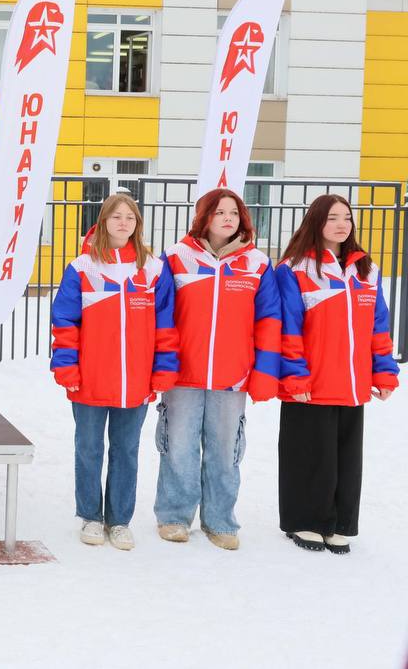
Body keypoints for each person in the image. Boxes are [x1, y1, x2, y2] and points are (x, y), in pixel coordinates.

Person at [155, 188, 281, 550]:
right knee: (178, 448)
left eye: (234, 213)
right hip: (183, 375)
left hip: (233, 375)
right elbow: (163, 315)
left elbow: (269, 319)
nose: (228, 218)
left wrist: (264, 372)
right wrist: (164, 364)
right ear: (204, 217)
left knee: (225, 451)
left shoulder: (257, 263)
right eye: (220, 212)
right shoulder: (177, 258)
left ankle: (221, 521)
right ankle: (174, 517)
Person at [50, 193, 177, 550]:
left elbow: (165, 325)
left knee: (126, 450)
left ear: (137, 225)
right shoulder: (82, 267)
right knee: (88, 448)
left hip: (134, 382)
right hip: (89, 379)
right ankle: (91, 516)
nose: (124, 223)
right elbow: (64, 324)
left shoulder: (152, 269)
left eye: (131, 218)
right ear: (104, 221)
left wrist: (162, 372)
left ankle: (119, 521)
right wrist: (67, 370)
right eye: (116, 216)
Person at [275, 194, 398, 554]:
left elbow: (379, 327)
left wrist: (384, 372)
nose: (342, 225)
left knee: (345, 458)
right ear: (316, 222)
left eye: (346, 217)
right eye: (332, 218)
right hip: (310, 383)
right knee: (310, 455)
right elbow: (288, 329)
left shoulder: (366, 270)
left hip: (352, 382)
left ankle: (339, 521)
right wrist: (294, 376)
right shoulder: (295, 269)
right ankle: (305, 521)